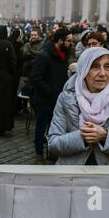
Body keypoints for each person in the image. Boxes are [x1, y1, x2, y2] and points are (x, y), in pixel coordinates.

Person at [48, 48, 109, 165]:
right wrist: (82, 137)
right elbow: (53, 145)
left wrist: (105, 136)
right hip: (72, 175)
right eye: (95, 66)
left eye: (107, 66)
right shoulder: (66, 99)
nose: (103, 73)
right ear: (84, 70)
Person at [31, 28, 72, 164]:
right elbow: (36, 78)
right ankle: (38, 155)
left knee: (55, 128)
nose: (70, 43)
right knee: (41, 128)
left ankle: (52, 153)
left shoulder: (64, 56)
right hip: (44, 100)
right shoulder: (44, 56)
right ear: (60, 41)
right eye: (68, 41)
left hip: (58, 100)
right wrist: (50, 91)